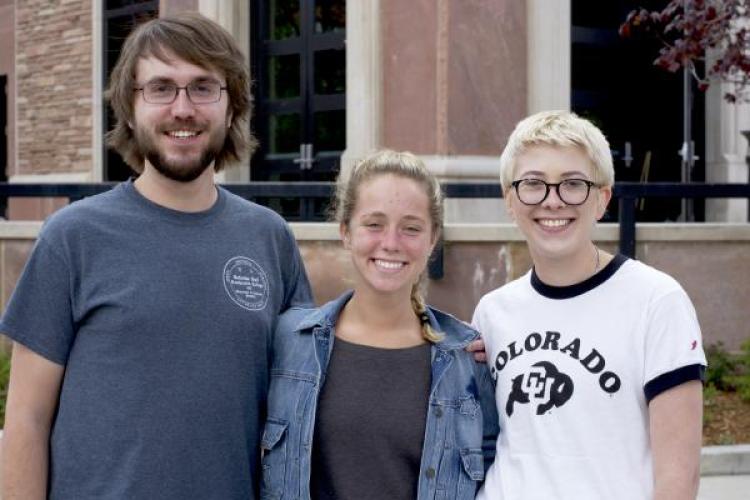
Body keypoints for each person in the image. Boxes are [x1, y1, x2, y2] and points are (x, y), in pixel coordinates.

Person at [0, 13, 312, 499]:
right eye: (161, 88)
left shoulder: (268, 238)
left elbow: (308, 390)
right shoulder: (73, 237)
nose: (182, 109)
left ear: (231, 109)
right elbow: (26, 419)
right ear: (129, 107)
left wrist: (456, 346)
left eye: (203, 87)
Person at [472, 110, 706, 500]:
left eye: (573, 184)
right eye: (533, 184)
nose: (553, 201)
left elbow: (679, 480)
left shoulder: (656, 302)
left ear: (602, 199)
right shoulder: (492, 312)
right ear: (510, 200)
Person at [260, 150, 499, 500]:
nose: (390, 243)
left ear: (432, 240)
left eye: (411, 229)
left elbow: (498, 472)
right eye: (374, 224)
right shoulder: (290, 341)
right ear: (345, 232)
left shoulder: (465, 358)